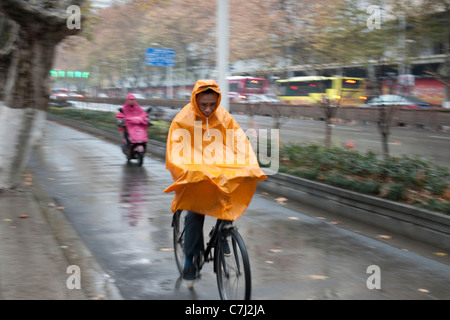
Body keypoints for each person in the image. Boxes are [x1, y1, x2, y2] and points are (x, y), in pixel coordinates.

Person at [164, 79, 267, 287]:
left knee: (229, 194)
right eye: (204, 104)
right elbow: (176, 151)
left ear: (218, 100)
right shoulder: (182, 120)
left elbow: (240, 143)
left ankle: (222, 232)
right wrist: (189, 171)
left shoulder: (224, 118)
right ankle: (190, 262)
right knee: (195, 211)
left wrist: (250, 166)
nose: (209, 109)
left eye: (213, 104)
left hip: (219, 170)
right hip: (195, 172)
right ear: (195, 101)